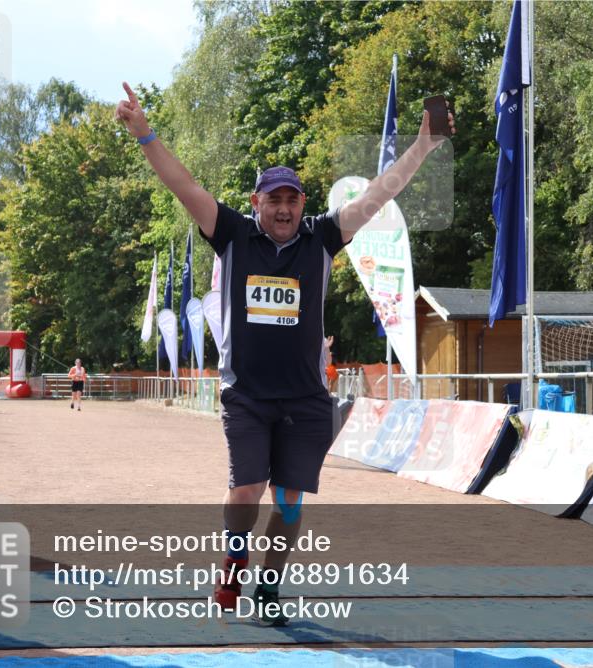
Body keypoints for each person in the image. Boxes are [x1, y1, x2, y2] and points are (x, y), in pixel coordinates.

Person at [116, 80, 454, 626]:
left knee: (290, 502)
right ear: (256, 204)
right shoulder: (231, 233)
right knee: (247, 487)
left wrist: (422, 147)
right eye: (273, 199)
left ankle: (268, 588)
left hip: (304, 399)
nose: (283, 208)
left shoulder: (322, 238)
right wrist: (146, 135)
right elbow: (183, 186)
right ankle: (233, 557)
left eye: (292, 198)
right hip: (247, 396)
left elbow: (378, 194)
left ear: (302, 205)